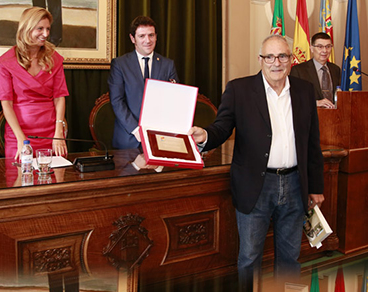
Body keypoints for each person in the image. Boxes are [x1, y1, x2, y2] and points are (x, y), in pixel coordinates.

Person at [191, 36, 324, 276]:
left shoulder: (305, 91)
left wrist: (315, 187)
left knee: (290, 259)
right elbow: (222, 127)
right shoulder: (239, 89)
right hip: (255, 186)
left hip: (295, 185)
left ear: (291, 60)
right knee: (250, 258)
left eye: (282, 56)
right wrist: (205, 136)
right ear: (260, 60)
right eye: (269, 57)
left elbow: (312, 144)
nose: (276, 63)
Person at [0, 6, 68, 161]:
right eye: (40, 29)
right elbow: (6, 104)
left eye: (48, 29)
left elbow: (59, 97)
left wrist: (59, 132)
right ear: (26, 28)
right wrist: (21, 138)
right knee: (20, 181)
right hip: (19, 133)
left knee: (53, 181)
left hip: (51, 134)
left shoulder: (55, 59)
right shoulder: (7, 61)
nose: (46, 34)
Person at [107, 15, 178, 151]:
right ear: (133, 39)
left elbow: (173, 100)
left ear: (156, 37)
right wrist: (136, 130)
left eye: (151, 35)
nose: (148, 40)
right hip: (129, 139)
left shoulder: (168, 65)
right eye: (142, 36)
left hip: (160, 140)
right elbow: (117, 101)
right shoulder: (120, 64)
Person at [291, 32, 341, 108]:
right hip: (310, 116)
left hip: (333, 116)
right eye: (320, 47)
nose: (324, 50)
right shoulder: (299, 70)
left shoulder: (336, 69)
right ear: (311, 48)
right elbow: (293, 98)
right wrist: (315, 103)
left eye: (328, 46)